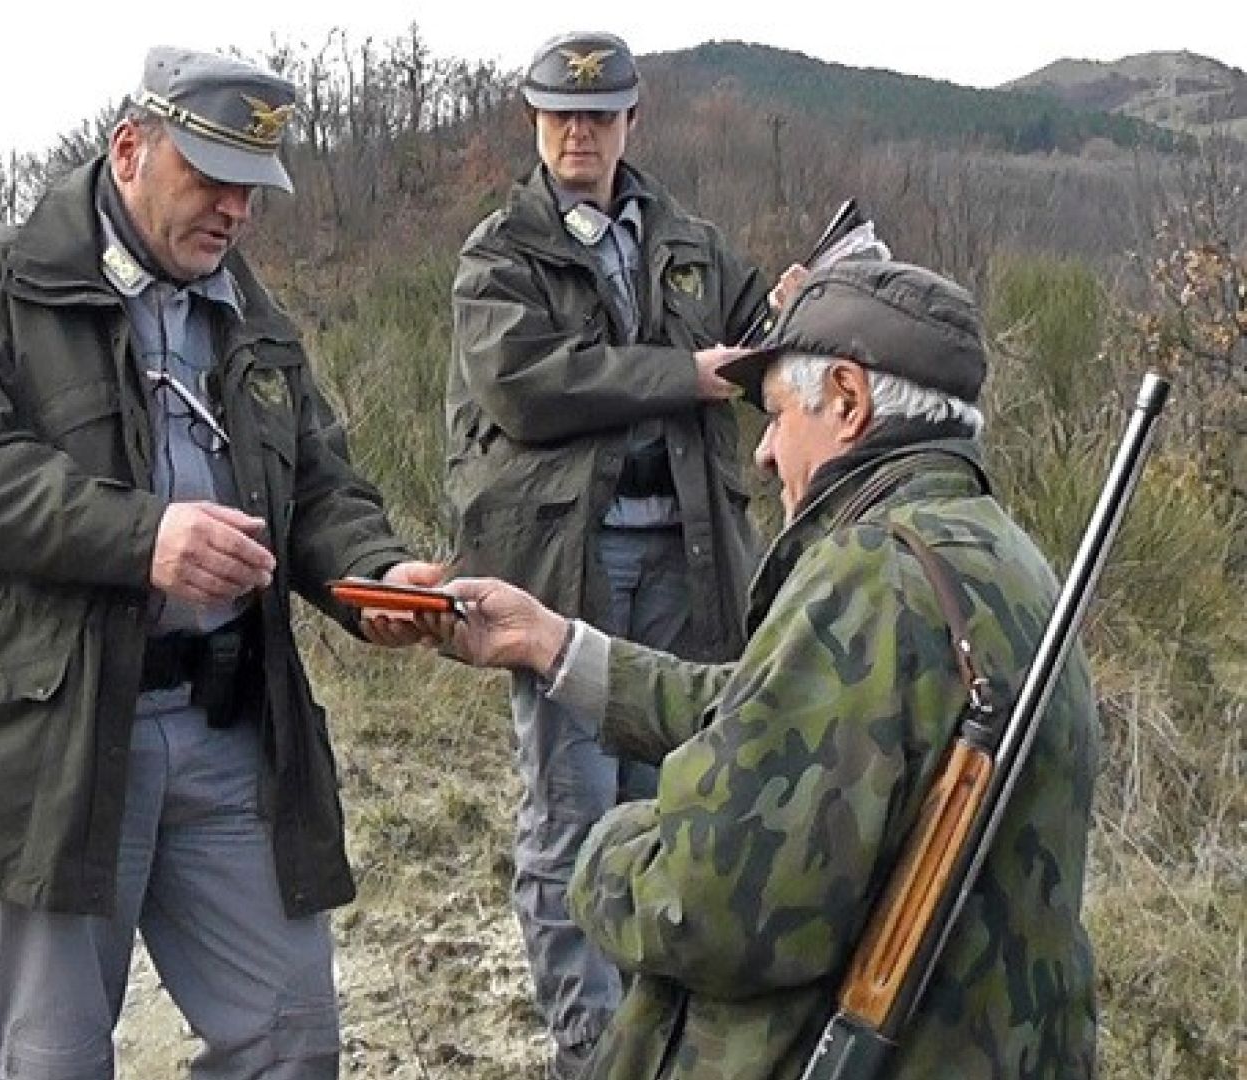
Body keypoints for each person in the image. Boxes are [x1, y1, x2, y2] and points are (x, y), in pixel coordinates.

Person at [0, 47, 433, 1080]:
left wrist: (375, 575)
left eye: (251, 189)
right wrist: (143, 538)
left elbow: (321, 484)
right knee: (54, 1058)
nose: (235, 210)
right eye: (210, 178)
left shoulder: (251, 311)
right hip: (56, 740)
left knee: (293, 1042)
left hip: (228, 732)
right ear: (130, 149)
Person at [419, 260, 1099, 1079]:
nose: (766, 454)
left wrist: (608, 849)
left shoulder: (870, 577)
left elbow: (708, 908)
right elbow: (777, 706)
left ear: (848, 400)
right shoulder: (998, 555)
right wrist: (556, 644)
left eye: (776, 414)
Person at [444, 29, 772, 1074]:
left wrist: (798, 314)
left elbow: (753, 336)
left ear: (635, 117)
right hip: (560, 571)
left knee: (668, 803)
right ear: (535, 123)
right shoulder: (500, 252)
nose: (579, 132)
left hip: (689, 557)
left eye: (599, 113)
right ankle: (589, 1046)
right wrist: (685, 372)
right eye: (560, 115)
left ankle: (651, 1025)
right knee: (571, 812)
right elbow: (530, 384)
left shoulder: (690, 238)